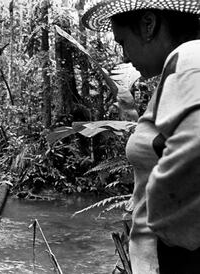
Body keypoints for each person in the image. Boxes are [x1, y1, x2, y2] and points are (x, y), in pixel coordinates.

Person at [82, 1, 200, 273]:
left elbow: (193, 145)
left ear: (148, 25)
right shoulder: (177, 71)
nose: (124, 56)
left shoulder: (191, 55)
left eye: (123, 42)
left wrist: (166, 230)